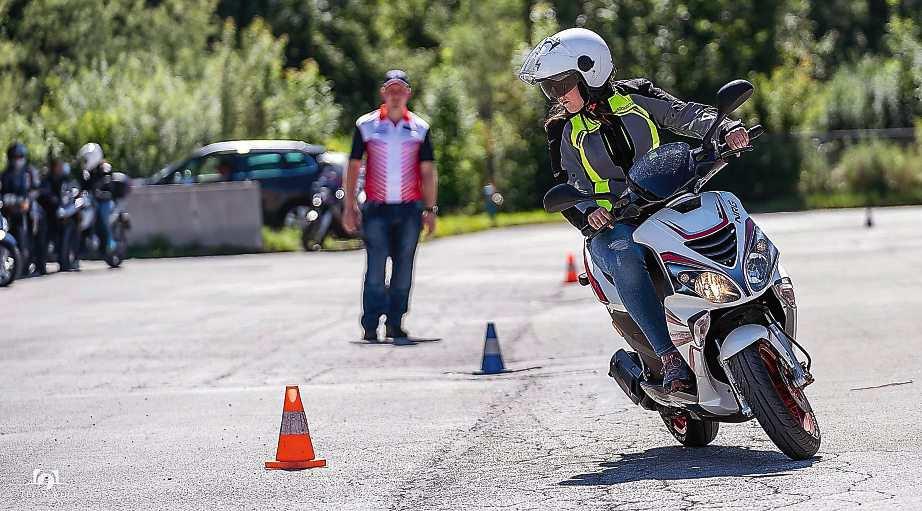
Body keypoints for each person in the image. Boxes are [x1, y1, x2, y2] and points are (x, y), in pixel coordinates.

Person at [519, 28, 750, 393]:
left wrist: (726, 129)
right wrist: (587, 214)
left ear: (590, 74)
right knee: (625, 254)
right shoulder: (562, 129)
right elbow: (567, 185)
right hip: (613, 224)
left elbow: (684, 115)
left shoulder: (637, 96)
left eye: (562, 84)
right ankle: (669, 357)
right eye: (550, 88)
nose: (557, 96)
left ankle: (751, 299)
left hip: (666, 199)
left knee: (723, 215)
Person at [343, 70, 438, 345]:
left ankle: (396, 323)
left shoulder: (419, 128)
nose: (395, 95)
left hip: (409, 209)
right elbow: (352, 166)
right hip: (376, 209)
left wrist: (430, 210)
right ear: (383, 93)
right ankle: (370, 325)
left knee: (404, 270)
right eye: (391, 90)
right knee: (375, 269)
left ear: (408, 94)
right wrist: (349, 205)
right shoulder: (366, 125)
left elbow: (428, 171)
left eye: (401, 90)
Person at [1, 142, 42, 274]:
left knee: (38, 222)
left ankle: (38, 263)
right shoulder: (5, 174)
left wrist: (27, 201)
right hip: (9, 209)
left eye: (20, 156)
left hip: (28, 208)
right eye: (15, 157)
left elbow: (36, 189)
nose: (17, 160)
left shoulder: (30, 172)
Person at [38, 159, 80, 271]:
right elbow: (44, 194)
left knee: (67, 234)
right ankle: (40, 266)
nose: (60, 168)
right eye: (58, 166)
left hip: (61, 212)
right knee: (44, 239)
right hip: (48, 214)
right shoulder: (47, 179)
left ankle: (65, 262)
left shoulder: (64, 179)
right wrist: (53, 199)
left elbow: (71, 190)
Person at [76, 142, 117, 254]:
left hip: (105, 200)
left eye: (86, 159)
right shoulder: (87, 172)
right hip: (92, 200)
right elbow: (82, 186)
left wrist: (101, 192)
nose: (84, 162)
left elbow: (109, 185)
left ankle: (110, 241)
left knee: (104, 217)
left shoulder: (105, 169)